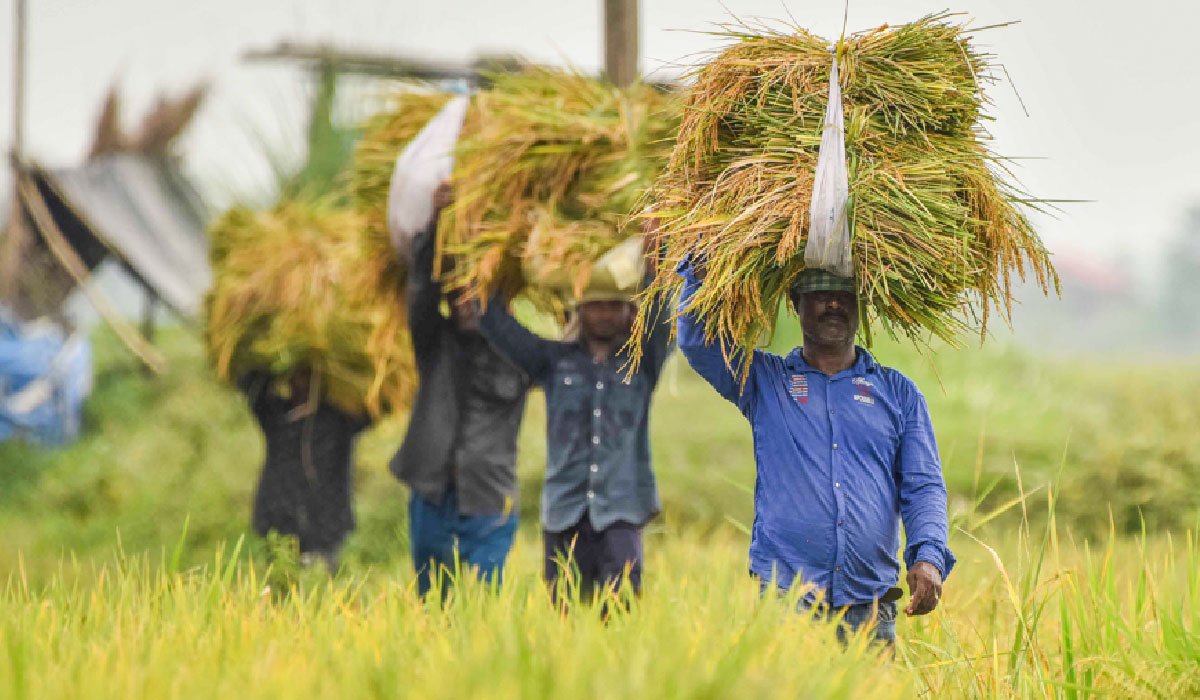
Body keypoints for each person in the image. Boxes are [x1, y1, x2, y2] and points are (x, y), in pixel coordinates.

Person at [675, 262, 955, 645]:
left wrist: (928, 556)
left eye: (844, 296)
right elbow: (698, 343)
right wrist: (701, 273)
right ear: (795, 304)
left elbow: (924, 487)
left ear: (861, 306)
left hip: (870, 606)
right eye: (820, 295)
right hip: (787, 601)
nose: (833, 305)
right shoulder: (764, 382)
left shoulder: (898, 393)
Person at [477, 238, 673, 600]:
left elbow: (663, 320)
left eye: (613, 306)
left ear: (629, 311)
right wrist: (495, 253)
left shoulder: (643, 363)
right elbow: (498, 325)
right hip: (564, 514)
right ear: (578, 310)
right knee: (565, 622)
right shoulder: (553, 361)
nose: (603, 314)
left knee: (621, 615)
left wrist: (655, 261)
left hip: (621, 513)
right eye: (594, 305)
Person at [391, 183, 533, 597]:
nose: (467, 300)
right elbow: (420, 295)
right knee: (433, 595)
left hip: (488, 493)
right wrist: (436, 224)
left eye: (478, 291)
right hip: (431, 487)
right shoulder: (433, 342)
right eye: (459, 292)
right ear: (449, 299)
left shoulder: (519, 352)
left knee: (485, 596)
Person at [240, 367, 369, 572]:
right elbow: (250, 383)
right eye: (297, 374)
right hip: (277, 516)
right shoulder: (276, 415)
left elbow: (376, 404)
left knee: (323, 582)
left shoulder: (340, 418)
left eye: (307, 375)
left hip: (328, 521)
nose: (300, 382)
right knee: (281, 579)